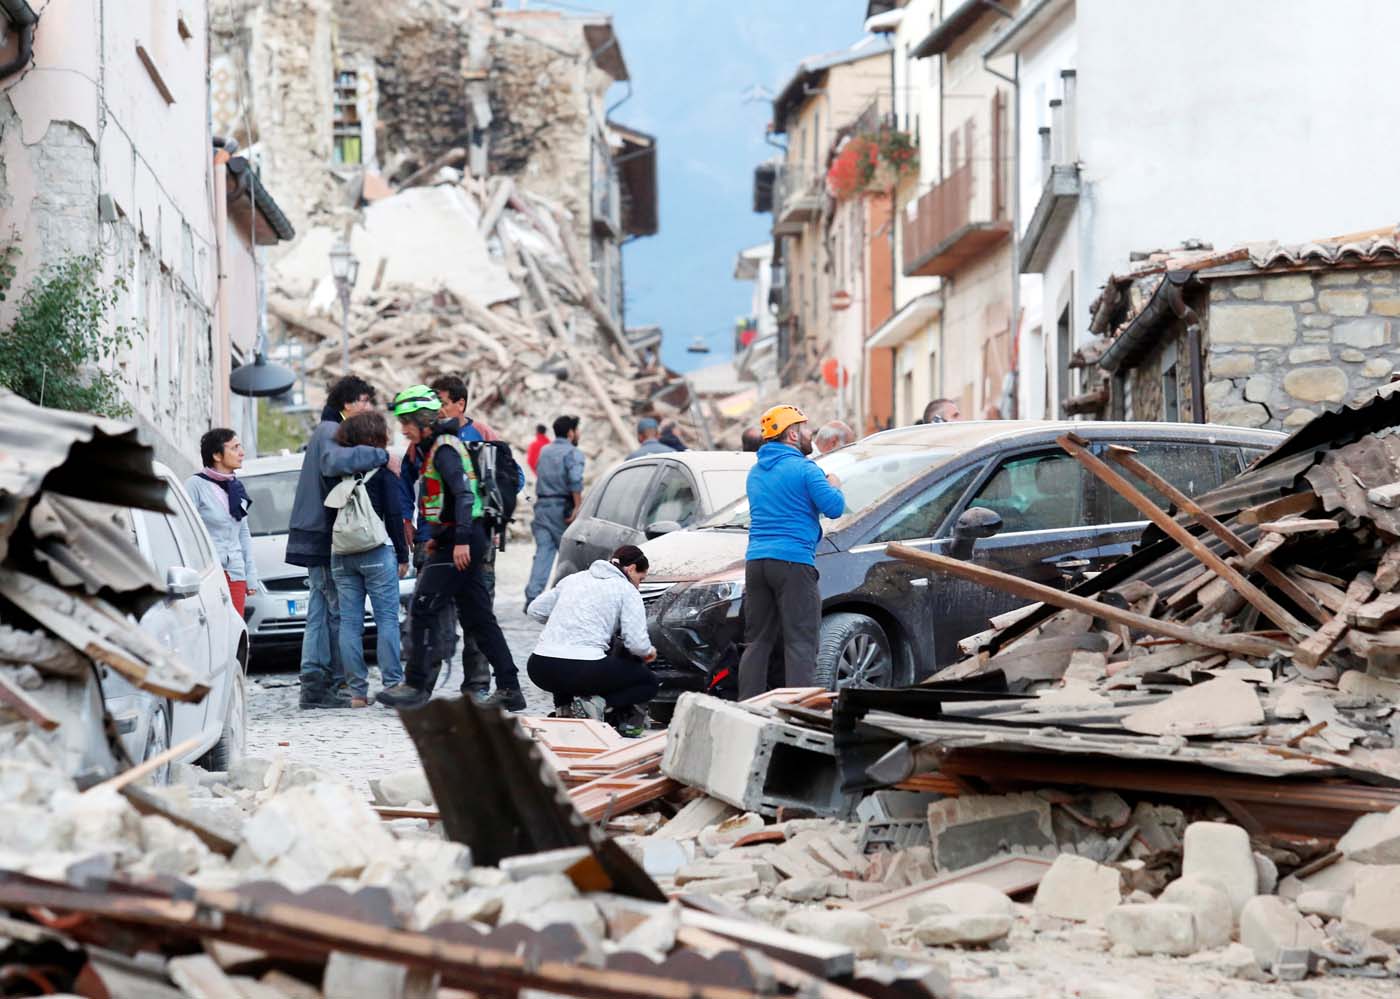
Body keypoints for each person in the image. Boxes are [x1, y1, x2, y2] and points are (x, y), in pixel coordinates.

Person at [378, 397, 525, 710]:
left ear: (424, 422)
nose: (403, 431)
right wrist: (440, 536)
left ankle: (416, 684)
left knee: (422, 606)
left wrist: (457, 539)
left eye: (407, 423)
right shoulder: (437, 447)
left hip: (463, 540)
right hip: (460, 538)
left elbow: (463, 494)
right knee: (479, 619)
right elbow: (444, 499)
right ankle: (510, 688)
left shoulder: (444, 448)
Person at [286, 377, 389, 710]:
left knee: (320, 608)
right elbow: (333, 463)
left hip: (312, 531)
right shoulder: (330, 430)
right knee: (333, 612)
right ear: (347, 403)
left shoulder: (325, 430)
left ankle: (314, 684)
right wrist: (380, 455)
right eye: (363, 400)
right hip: (321, 533)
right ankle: (332, 685)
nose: (368, 407)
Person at [737, 404, 845, 699]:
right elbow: (834, 508)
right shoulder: (806, 469)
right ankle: (799, 709)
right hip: (793, 563)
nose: (811, 434)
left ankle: (747, 707)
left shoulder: (755, 473)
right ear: (793, 434)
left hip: (756, 562)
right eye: (806, 428)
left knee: (757, 642)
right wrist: (834, 484)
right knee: (800, 642)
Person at [428, 375, 523, 702]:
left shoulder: (482, 435)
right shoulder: (430, 437)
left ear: (460, 404)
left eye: (441, 402)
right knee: (435, 612)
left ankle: (478, 682)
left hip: (476, 542)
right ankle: (423, 685)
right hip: (440, 541)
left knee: (478, 613)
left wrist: (488, 513)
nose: (437, 409)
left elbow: (514, 477)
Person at [527, 545, 659, 737]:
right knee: (648, 682)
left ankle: (565, 709)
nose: (638, 585)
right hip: (583, 668)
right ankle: (600, 703)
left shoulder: (574, 579)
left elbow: (535, 610)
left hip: (540, 667)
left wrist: (565, 620)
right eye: (641, 579)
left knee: (566, 666)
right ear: (631, 569)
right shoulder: (627, 590)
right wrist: (649, 652)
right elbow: (636, 643)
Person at [328, 412, 410, 708]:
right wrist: (403, 554)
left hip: (342, 553)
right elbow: (394, 514)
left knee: (349, 623)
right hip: (377, 550)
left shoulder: (336, 472)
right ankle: (392, 684)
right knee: (386, 618)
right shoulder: (384, 472)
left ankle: (357, 693)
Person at [186, 429, 259, 617]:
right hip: (207, 573)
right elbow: (185, 529)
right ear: (217, 455)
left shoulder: (236, 487)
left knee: (235, 634)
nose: (241, 452)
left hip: (235, 572)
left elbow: (243, 533)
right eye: (235, 448)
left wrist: (251, 575)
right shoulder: (195, 485)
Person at [525, 415, 584, 607]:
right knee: (570, 555)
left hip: (542, 507)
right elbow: (575, 480)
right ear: (570, 433)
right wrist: (577, 507)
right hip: (562, 509)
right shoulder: (573, 453)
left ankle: (532, 597)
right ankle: (569, 598)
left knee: (544, 552)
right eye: (577, 430)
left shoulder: (544, 450)